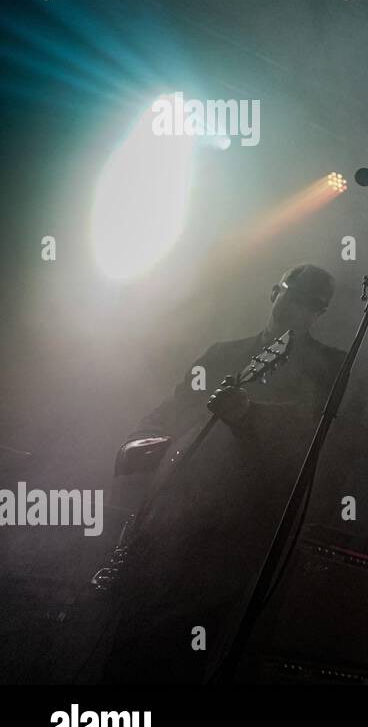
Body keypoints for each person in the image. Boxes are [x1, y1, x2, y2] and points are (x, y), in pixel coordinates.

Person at [98, 264, 346, 683]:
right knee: (123, 639)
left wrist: (251, 415)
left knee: (187, 651)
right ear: (274, 291)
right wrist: (139, 439)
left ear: (320, 313)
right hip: (169, 515)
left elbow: (312, 437)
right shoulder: (222, 354)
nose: (299, 310)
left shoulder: (329, 368)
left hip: (235, 534)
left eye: (312, 305)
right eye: (294, 295)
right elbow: (172, 411)